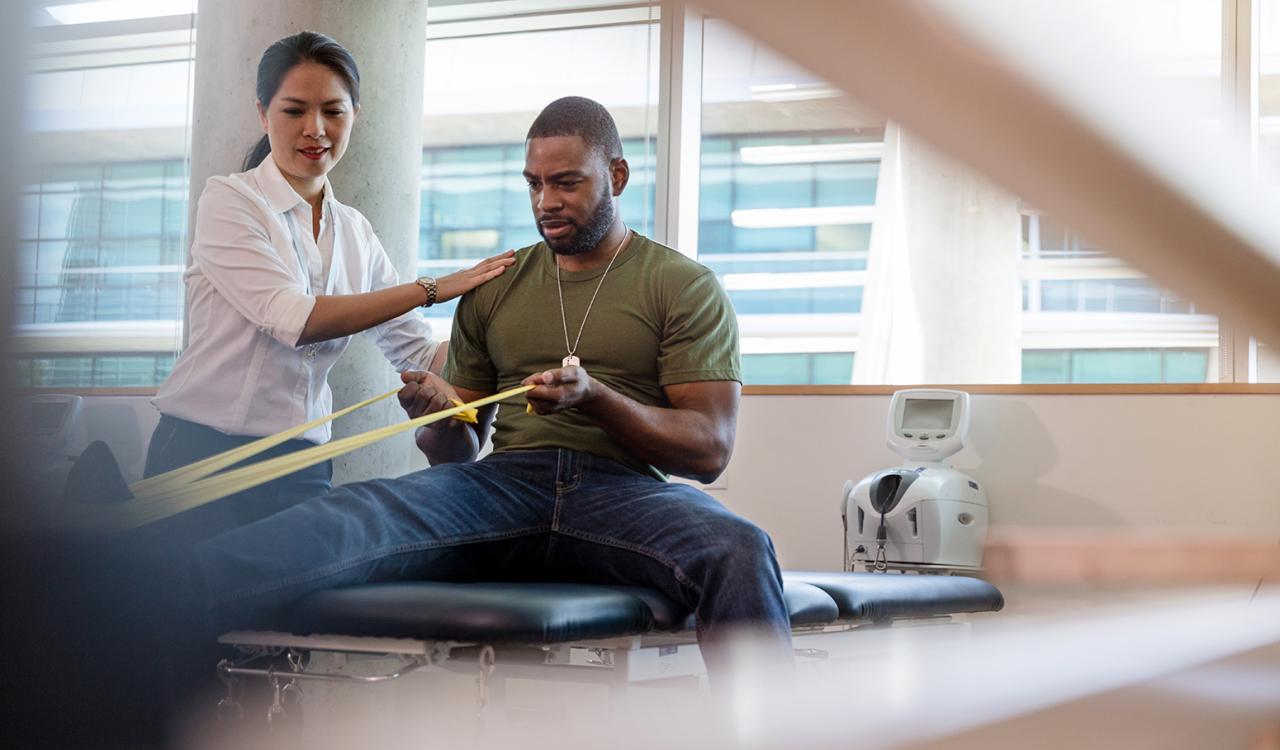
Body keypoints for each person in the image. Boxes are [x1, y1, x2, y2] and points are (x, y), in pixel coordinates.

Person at [189, 96, 793, 677]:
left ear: (617, 174)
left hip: (624, 494)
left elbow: (708, 451)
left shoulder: (683, 286)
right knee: (354, 513)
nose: (546, 202)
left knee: (739, 548)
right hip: (505, 486)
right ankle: (153, 592)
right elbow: (459, 450)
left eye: (566, 183)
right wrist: (437, 417)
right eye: (533, 184)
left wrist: (596, 399)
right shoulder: (497, 286)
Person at [145, 32, 513, 543]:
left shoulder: (355, 231)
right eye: (294, 110)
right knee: (178, 618)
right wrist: (432, 288)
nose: (314, 129)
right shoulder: (229, 201)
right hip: (203, 452)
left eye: (333, 112)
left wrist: (514, 338)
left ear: (354, 115)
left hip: (300, 464)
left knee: (288, 619)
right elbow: (291, 318)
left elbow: (423, 354)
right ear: (263, 113)